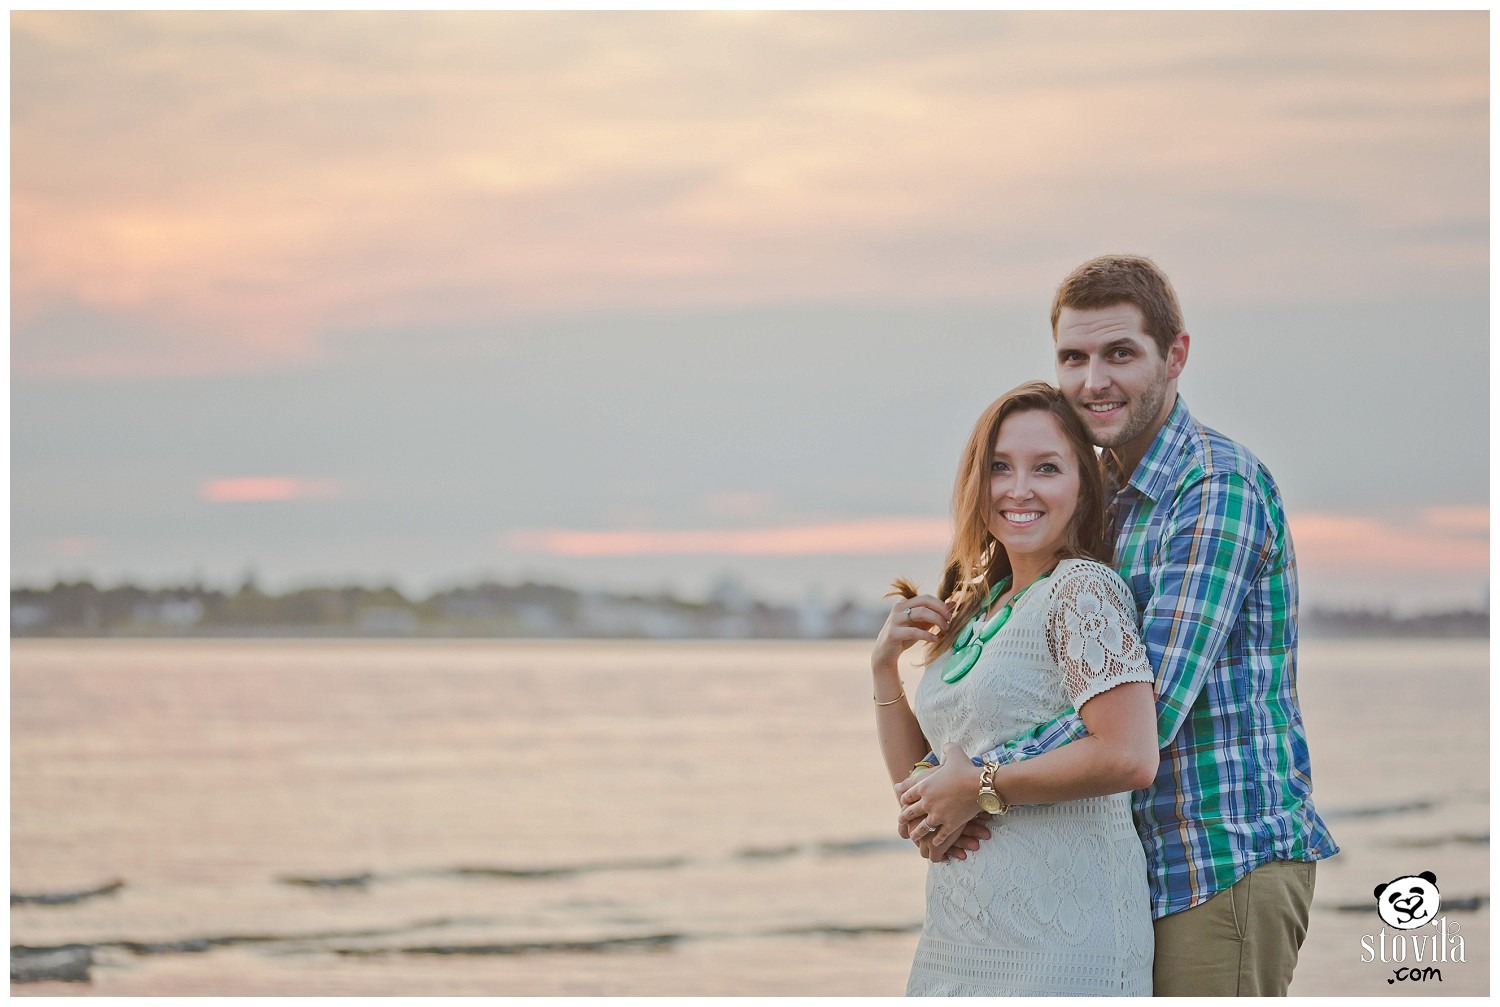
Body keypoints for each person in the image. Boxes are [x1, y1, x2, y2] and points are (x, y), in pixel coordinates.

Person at [897, 255, 1339, 996]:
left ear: (1175, 356)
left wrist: (977, 781)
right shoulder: (1097, 493)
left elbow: (1149, 710)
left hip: (1218, 859)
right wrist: (944, 766)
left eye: (1120, 353)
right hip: (1123, 873)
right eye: (1074, 356)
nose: (1093, 380)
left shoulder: (1214, 488)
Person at [871, 380, 1160, 996]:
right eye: (1000, 467)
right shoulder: (976, 604)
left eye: (1046, 468)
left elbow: (1130, 755)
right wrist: (883, 669)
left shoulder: (1082, 589)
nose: (1018, 488)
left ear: (1082, 485)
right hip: (959, 939)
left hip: (1064, 942)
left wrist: (980, 786)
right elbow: (921, 785)